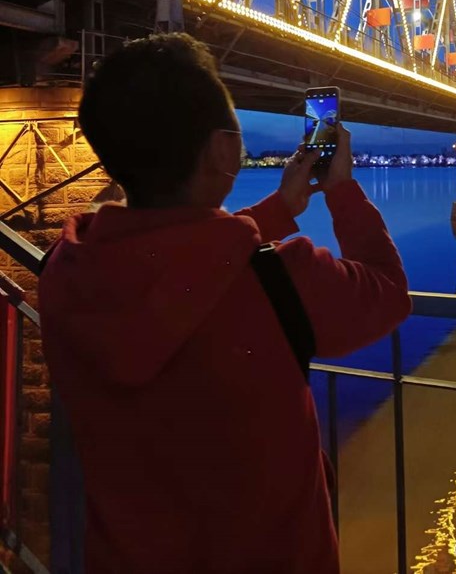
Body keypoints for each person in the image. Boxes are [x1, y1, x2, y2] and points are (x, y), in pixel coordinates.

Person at [38, 32, 411, 574]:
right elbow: (389, 291)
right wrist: (341, 190)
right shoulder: (283, 278)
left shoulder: (65, 271)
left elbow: (183, 258)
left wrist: (280, 208)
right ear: (222, 150)